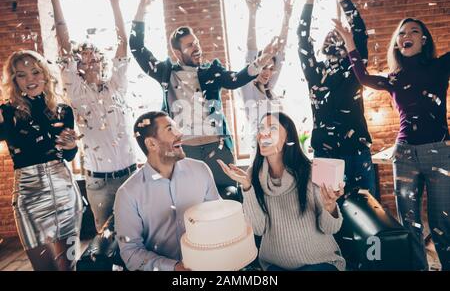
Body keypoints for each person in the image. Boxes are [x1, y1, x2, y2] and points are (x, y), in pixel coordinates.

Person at [130, 0, 280, 199]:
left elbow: (236, 79)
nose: (197, 47)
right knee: (193, 201)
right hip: (185, 150)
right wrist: (142, 8)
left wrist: (259, 62)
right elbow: (137, 47)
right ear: (177, 52)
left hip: (217, 147)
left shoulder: (212, 71)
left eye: (197, 42)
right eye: (190, 45)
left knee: (231, 197)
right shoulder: (164, 72)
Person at [334, 15, 450, 271]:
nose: (406, 35)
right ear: (397, 43)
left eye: (414, 31)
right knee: (410, 225)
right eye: (401, 33)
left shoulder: (441, 66)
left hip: (440, 152)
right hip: (405, 155)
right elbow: (363, 78)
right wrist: (349, 41)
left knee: (442, 223)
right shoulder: (393, 78)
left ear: (424, 38)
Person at [36, 0, 137, 232]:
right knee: (105, 242)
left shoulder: (117, 86)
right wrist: (55, 1)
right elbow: (64, 45)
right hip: (98, 183)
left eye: (94, 55)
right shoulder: (76, 92)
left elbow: (123, 44)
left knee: (138, 234)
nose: (89, 59)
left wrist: (115, 5)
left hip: (131, 176)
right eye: (83, 57)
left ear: (102, 60)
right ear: (76, 64)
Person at [218, 111, 346, 271]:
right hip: (276, 266)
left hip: (318, 262)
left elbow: (331, 228)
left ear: (288, 138)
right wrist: (247, 186)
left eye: (272, 128)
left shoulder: (311, 172)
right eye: (261, 128)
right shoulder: (253, 176)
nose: (263, 133)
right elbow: (257, 229)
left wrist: (329, 207)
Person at [0, 50, 82, 271]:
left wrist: (71, 146)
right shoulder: (6, 112)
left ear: (45, 74)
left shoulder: (63, 111)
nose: (30, 80)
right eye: (21, 75)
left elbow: (68, 156)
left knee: (68, 267)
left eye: (35, 72)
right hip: (28, 195)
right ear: (14, 81)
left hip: (64, 191)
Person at [298, 0, 376, 197]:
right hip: (324, 152)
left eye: (339, 34)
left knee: (366, 209)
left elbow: (360, 30)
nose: (334, 36)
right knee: (328, 211)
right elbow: (302, 37)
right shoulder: (315, 72)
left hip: (358, 150)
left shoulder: (355, 68)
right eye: (330, 35)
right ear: (322, 45)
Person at [114, 111, 220, 271]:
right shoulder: (128, 194)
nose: (180, 133)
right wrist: (174, 267)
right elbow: (131, 253)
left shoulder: (201, 170)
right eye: (170, 129)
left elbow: (218, 218)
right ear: (151, 144)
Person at [241, 0, 293, 138]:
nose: (268, 72)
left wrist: (287, 16)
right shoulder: (248, 88)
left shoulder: (270, 88)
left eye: (271, 68)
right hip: (260, 146)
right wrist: (252, 13)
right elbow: (251, 49)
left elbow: (281, 49)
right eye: (264, 67)